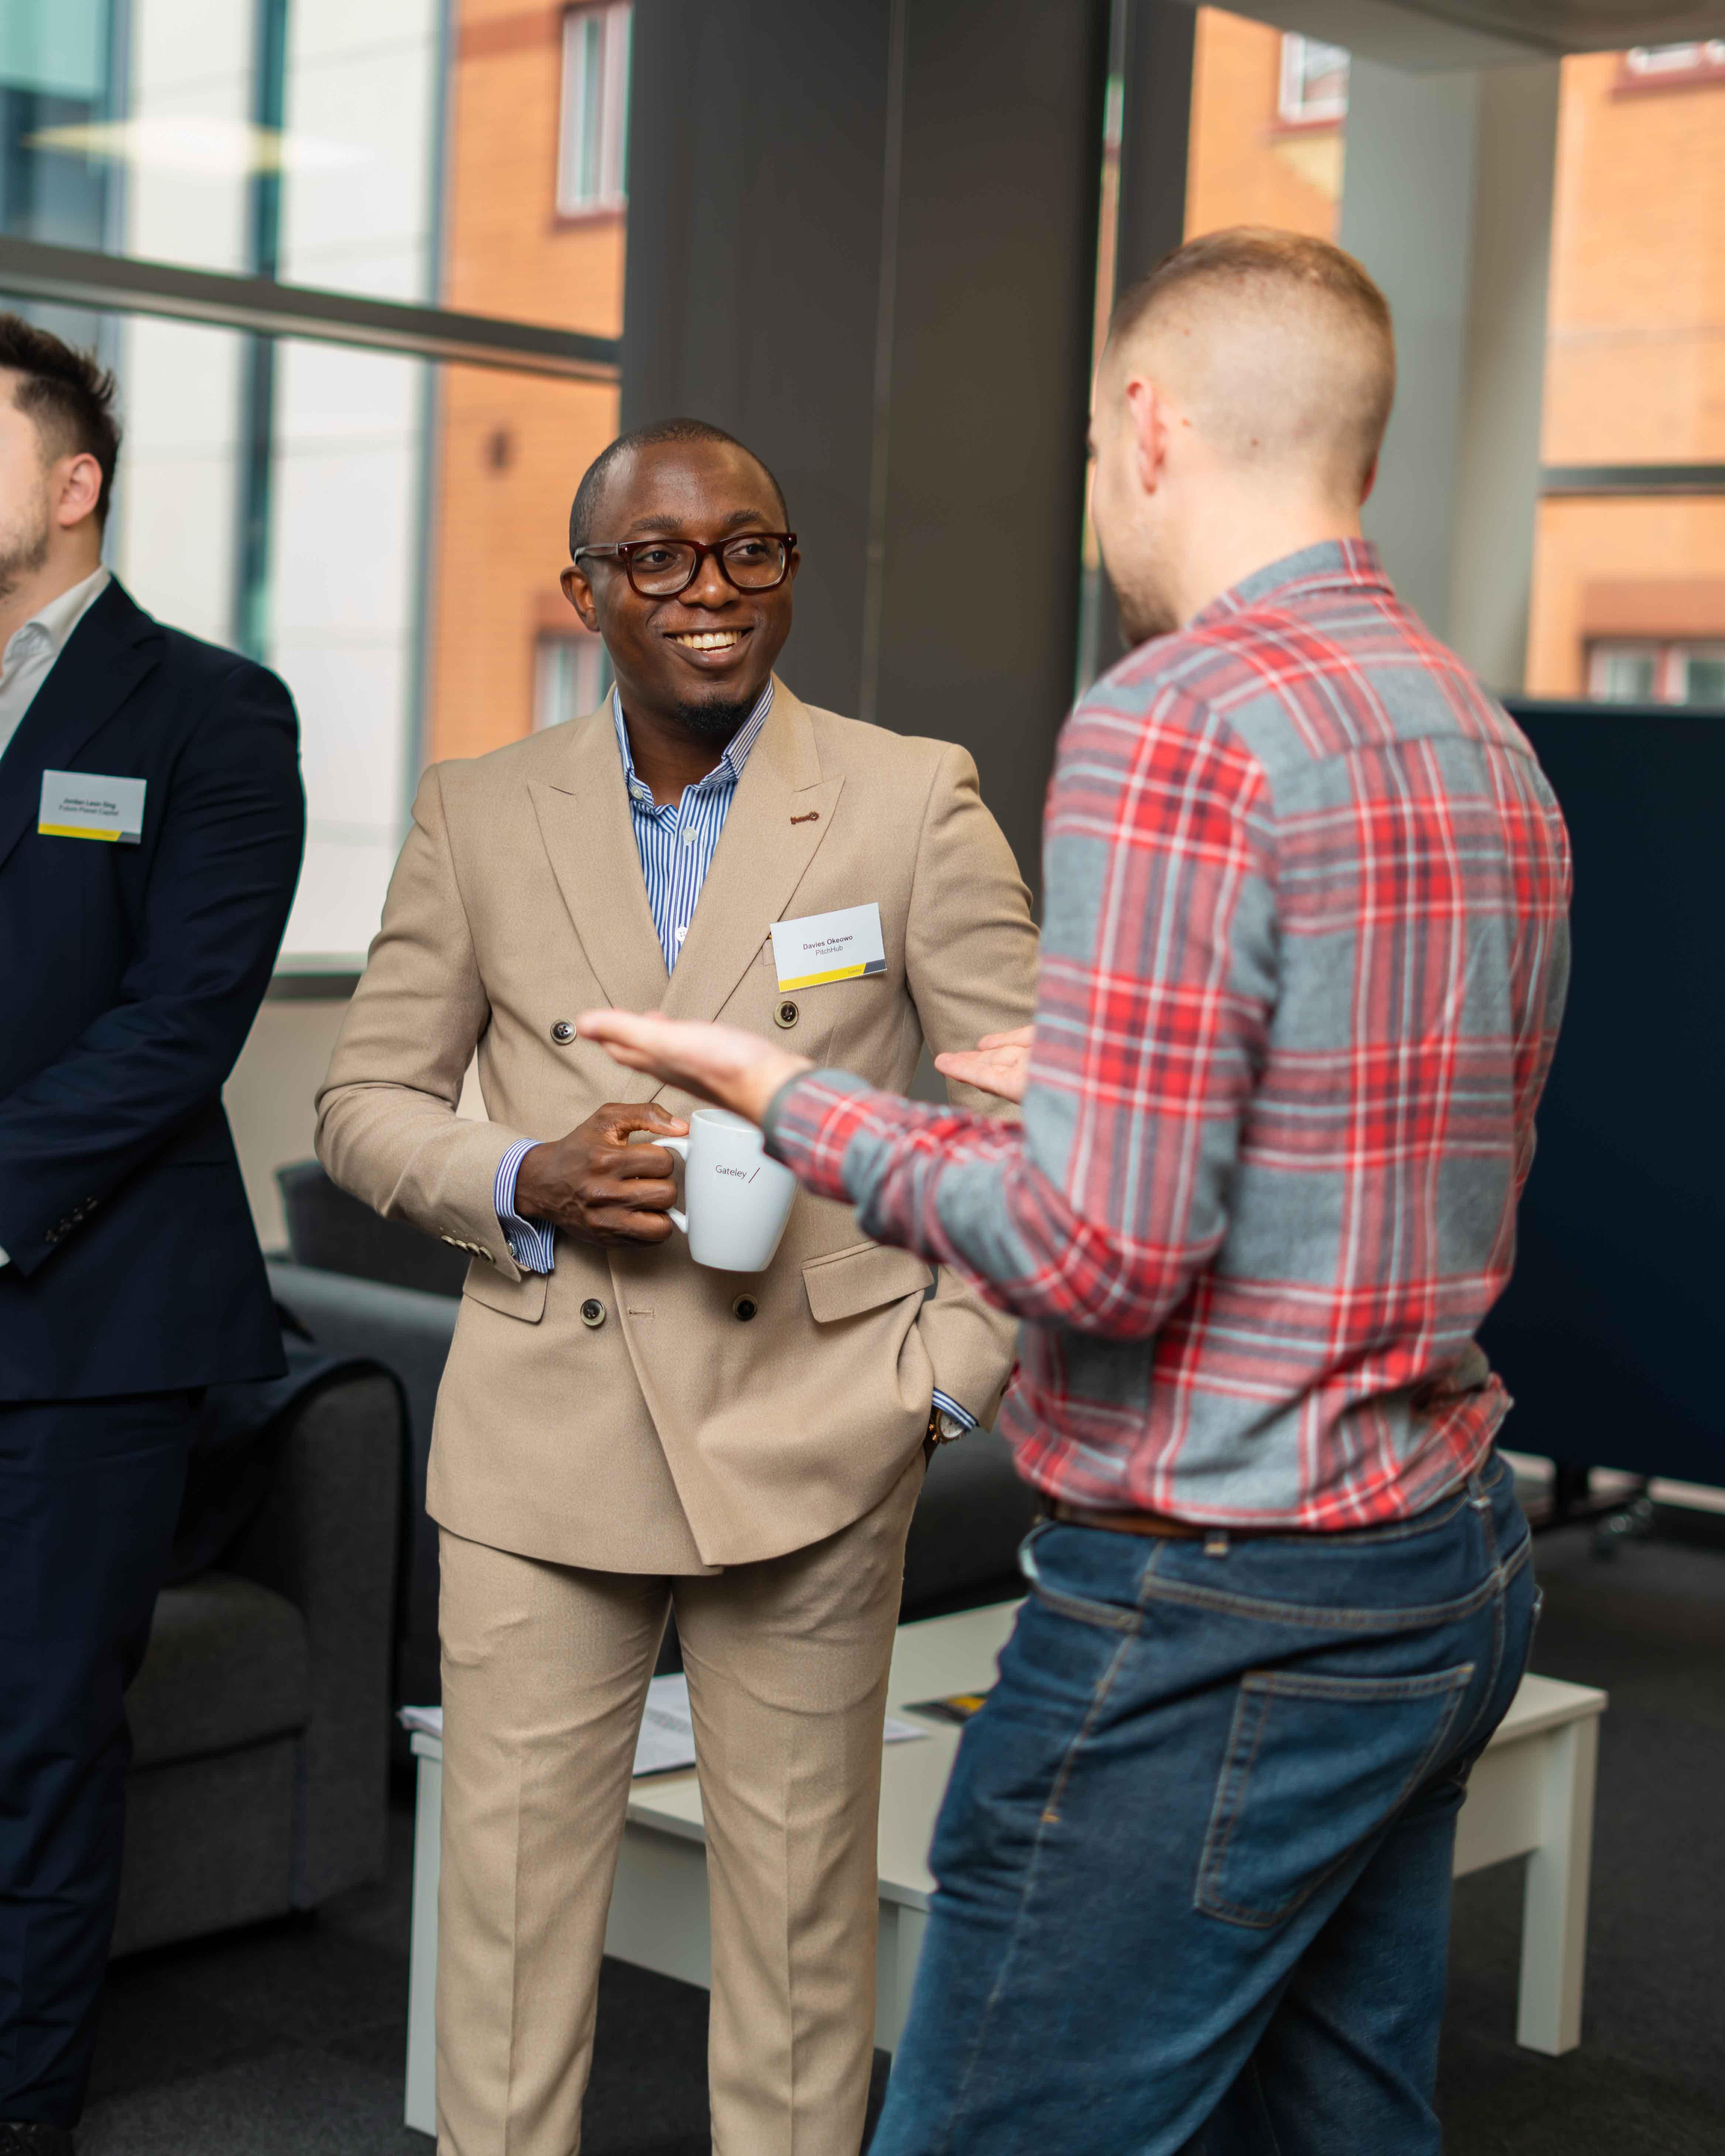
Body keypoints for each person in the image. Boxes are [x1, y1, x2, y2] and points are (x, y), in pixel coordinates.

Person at [576, 230, 1574, 2156]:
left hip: (1219, 1602)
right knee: (1337, 2127)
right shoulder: (1479, 734)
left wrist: (789, 1099)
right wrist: (1110, 1089)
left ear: (1146, 425)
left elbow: (1100, 1256)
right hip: (1443, 1554)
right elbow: (1396, 1129)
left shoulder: (1173, 721)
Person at [314, 417, 1038, 2156]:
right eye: (656, 556)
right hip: (541, 1434)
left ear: (788, 571)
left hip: (815, 1423)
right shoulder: (479, 807)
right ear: (587, 593)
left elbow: (1035, 1111)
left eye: (748, 549)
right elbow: (364, 1101)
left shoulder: (908, 794)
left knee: (796, 1933)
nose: (709, 587)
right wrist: (525, 1175)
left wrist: (947, 1373)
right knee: (503, 1924)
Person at [0, 315, 304, 2153]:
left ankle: (25, 2103)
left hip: (86, 1311)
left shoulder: (210, 708)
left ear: (73, 480)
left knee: (37, 1734)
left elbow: (182, 1025)